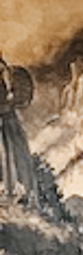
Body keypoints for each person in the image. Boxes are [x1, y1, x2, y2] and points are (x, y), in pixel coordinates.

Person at [0, 51, 39, 204]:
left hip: (7, 122)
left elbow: (14, 97)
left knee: (11, 156)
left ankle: (15, 192)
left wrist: (7, 101)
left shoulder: (6, 72)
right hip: (8, 121)